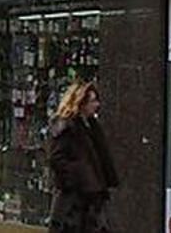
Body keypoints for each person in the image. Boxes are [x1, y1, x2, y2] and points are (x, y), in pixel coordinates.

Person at [46, 81, 119, 233]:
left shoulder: (92, 126)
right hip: (73, 200)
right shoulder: (67, 127)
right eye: (92, 101)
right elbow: (56, 158)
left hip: (92, 195)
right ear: (81, 103)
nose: (96, 105)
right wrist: (76, 177)